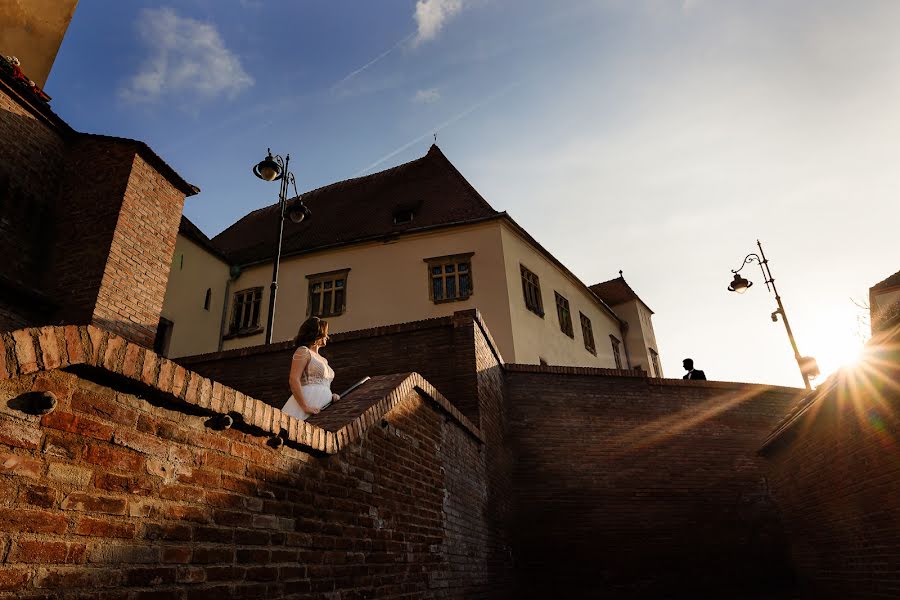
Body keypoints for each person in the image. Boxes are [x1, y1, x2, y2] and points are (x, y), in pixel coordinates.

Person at [282, 317, 340, 420]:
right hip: (308, 401)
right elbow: (293, 379)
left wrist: (331, 396)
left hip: (323, 405)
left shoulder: (324, 360)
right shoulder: (303, 351)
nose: (327, 336)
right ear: (317, 333)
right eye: (325, 332)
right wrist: (305, 407)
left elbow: (323, 384)